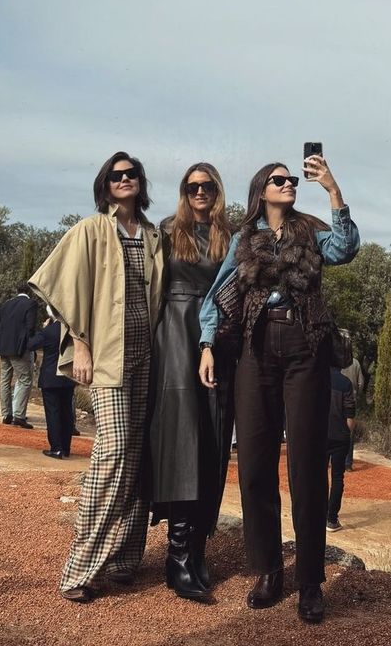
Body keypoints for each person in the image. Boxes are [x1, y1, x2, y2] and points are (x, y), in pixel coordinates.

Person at [199, 155, 359, 625]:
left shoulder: (310, 233)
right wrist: (207, 343)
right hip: (253, 345)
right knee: (252, 461)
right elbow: (217, 293)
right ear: (260, 191)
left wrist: (332, 190)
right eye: (279, 180)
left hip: (304, 345)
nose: (288, 184)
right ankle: (269, 569)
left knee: (307, 463)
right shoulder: (243, 239)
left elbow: (346, 247)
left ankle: (310, 581)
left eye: (292, 180)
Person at [28, 151, 164, 603]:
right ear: (105, 185)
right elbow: (60, 289)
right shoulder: (90, 229)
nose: (124, 180)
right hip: (106, 355)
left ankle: (124, 559)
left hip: (148, 356)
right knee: (115, 447)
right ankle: (79, 568)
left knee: (138, 452)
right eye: (116, 175)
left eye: (132, 174)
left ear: (141, 183)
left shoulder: (152, 235)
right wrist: (78, 342)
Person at [148, 162, 234, 602]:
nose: (200, 191)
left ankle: (197, 549)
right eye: (192, 185)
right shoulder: (167, 230)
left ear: (217, 190)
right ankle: (177, 554)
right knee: (183, 438)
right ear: (184, 191)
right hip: (177, 335)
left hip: (219, 335)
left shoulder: (230, 234)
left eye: (207, 185)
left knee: (215, 439)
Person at [0, 283, 39, 428]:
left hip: (3, 346)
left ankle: (6, 414)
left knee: (5, 380)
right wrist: (31, 347)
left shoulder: (7, 304)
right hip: (19, 348)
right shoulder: (31, 304)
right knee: (24, 379)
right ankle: (19, 415)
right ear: (30, 292)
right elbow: (30, 327)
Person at [29, 308, 76, 459]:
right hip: (68, 376)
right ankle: (66, 447)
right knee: (66, 412)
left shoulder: (49, 331)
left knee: (53, 413)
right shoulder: (72, 329)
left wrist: (43, 329)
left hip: (50, 377)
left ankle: (56, 448)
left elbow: (31, 344)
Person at [326, 367, 356, 532]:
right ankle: (331, 519)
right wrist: (346, 433)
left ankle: (319, 514)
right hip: (340, 437)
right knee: (337, 477)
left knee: (318, 477)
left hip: (319, 436)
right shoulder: (345, 383)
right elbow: (350, 416)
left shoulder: (316, 377)